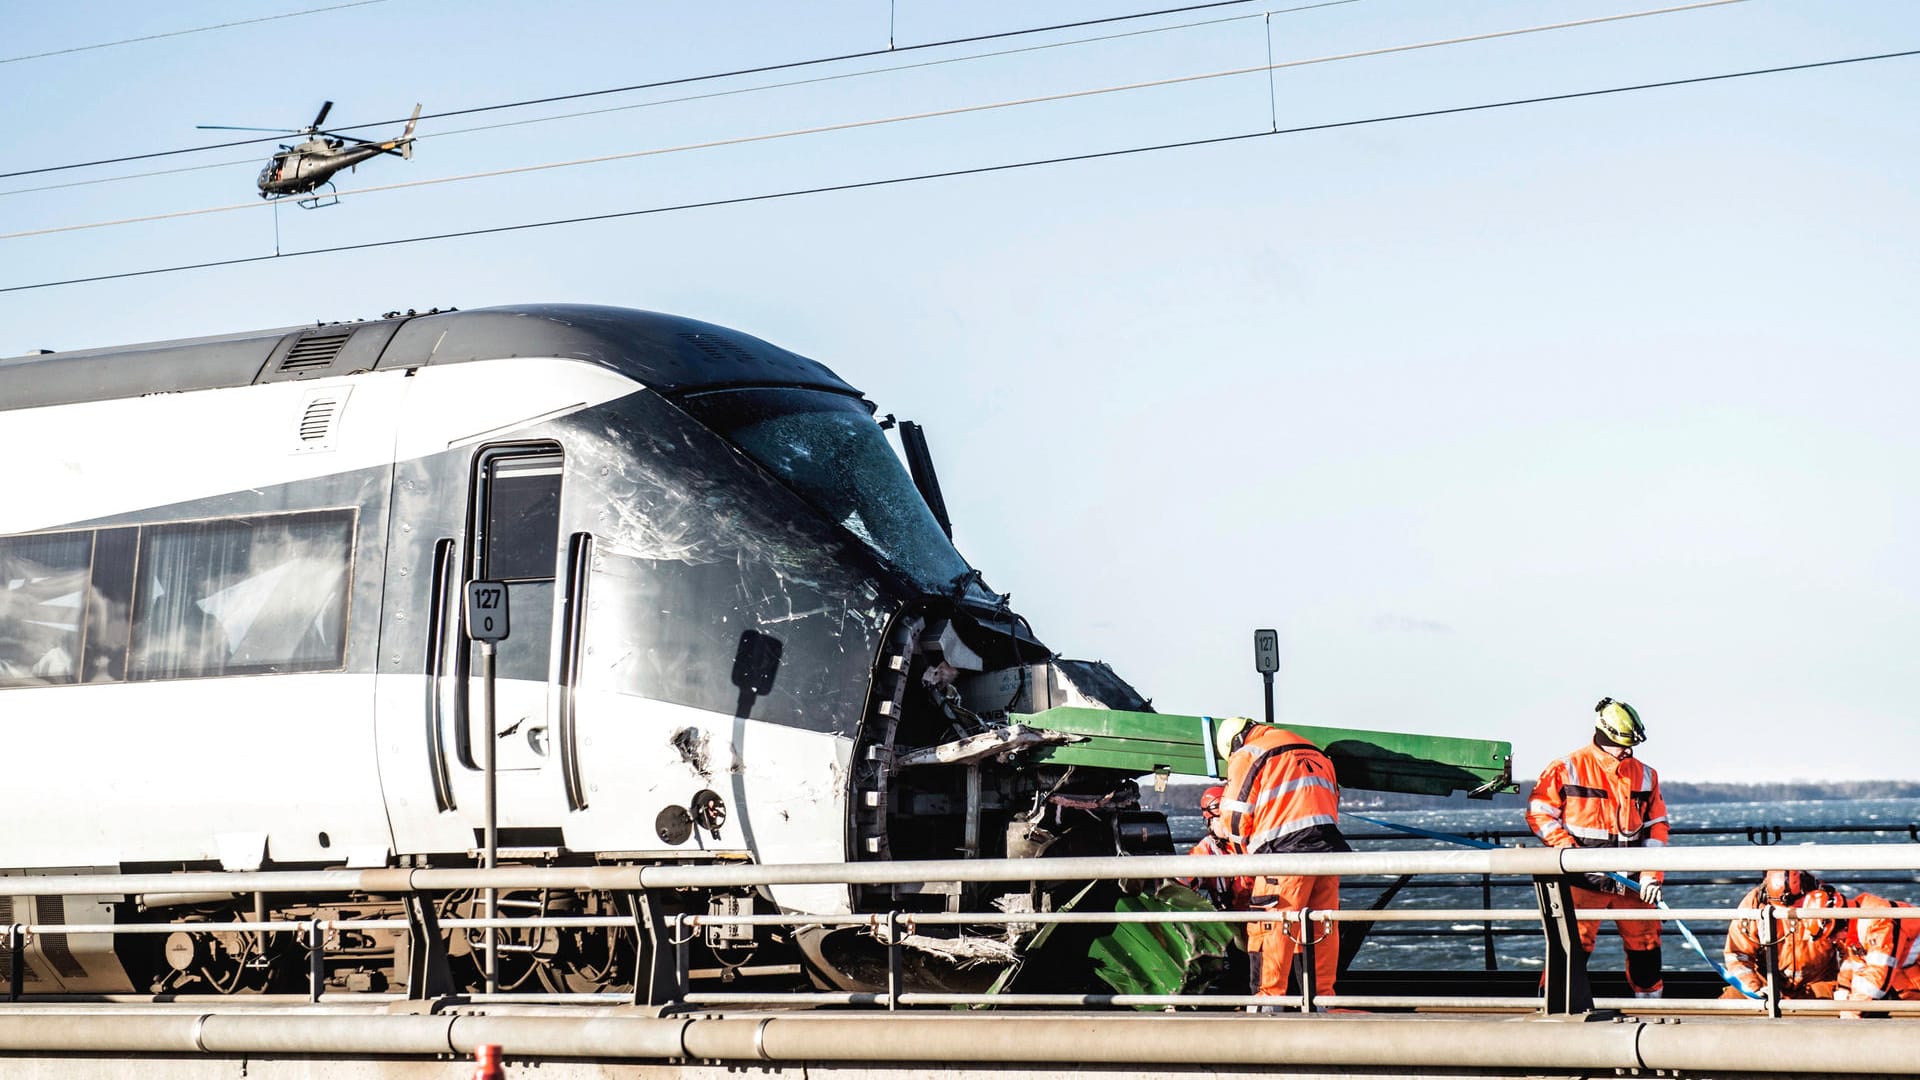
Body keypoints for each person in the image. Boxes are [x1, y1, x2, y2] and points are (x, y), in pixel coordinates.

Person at [1526, 696, 1670, 998]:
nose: (1628, 751)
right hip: (1582, 881)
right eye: (1623, 744)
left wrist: (1651, 875)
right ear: (1605, 736)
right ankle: (1552, 1008)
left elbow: (1656, 826)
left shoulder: (1645, 774)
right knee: (1571, 948)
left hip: (1631, 883)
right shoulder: (1565, 768)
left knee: (1646, 949)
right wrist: (1569, 852)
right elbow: (1539, 813)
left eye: (1632, 744)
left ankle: (1651, 1010)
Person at [1216, 716, 1350, 1001]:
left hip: (1283, 856)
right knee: (1320, 927)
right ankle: (1321, 1000)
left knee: (1271, 926)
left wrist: (1244, 862)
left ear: (1234, 744)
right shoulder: (1311, 749)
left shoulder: (1249, 753)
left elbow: (1235, 818)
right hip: (1328, 853)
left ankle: (1269, 1003)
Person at [1720, 870, 1846, 1000]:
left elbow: (1849, 952)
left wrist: (1844, 989)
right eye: (1782, 910)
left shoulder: (1827, 902)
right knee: (1724, 1008)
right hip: (1766, 983)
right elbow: (1737, 955)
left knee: (1836, 1012)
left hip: (1818, 983)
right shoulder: (1753, 905)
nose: (1788, 914)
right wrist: (1754, 989)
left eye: (1796, 908)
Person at [1833, 890, 1920, 1017]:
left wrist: (1852, 1010)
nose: (1833, 941)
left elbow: (1878, 972)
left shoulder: (1878, 920)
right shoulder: (1855, 927)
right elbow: (1857, 967)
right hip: (1907, 987)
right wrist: (1843, 993)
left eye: (1832, 935)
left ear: (1842, 924)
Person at [1177, 785, 1253, 912]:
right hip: (1229, 916)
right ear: (1210, 823)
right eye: (1220, 818)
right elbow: (1185, 878)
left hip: (1261, 913)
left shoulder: (1252, 841)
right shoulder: (1207, 848)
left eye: (1229, 817)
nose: (1226, 823)